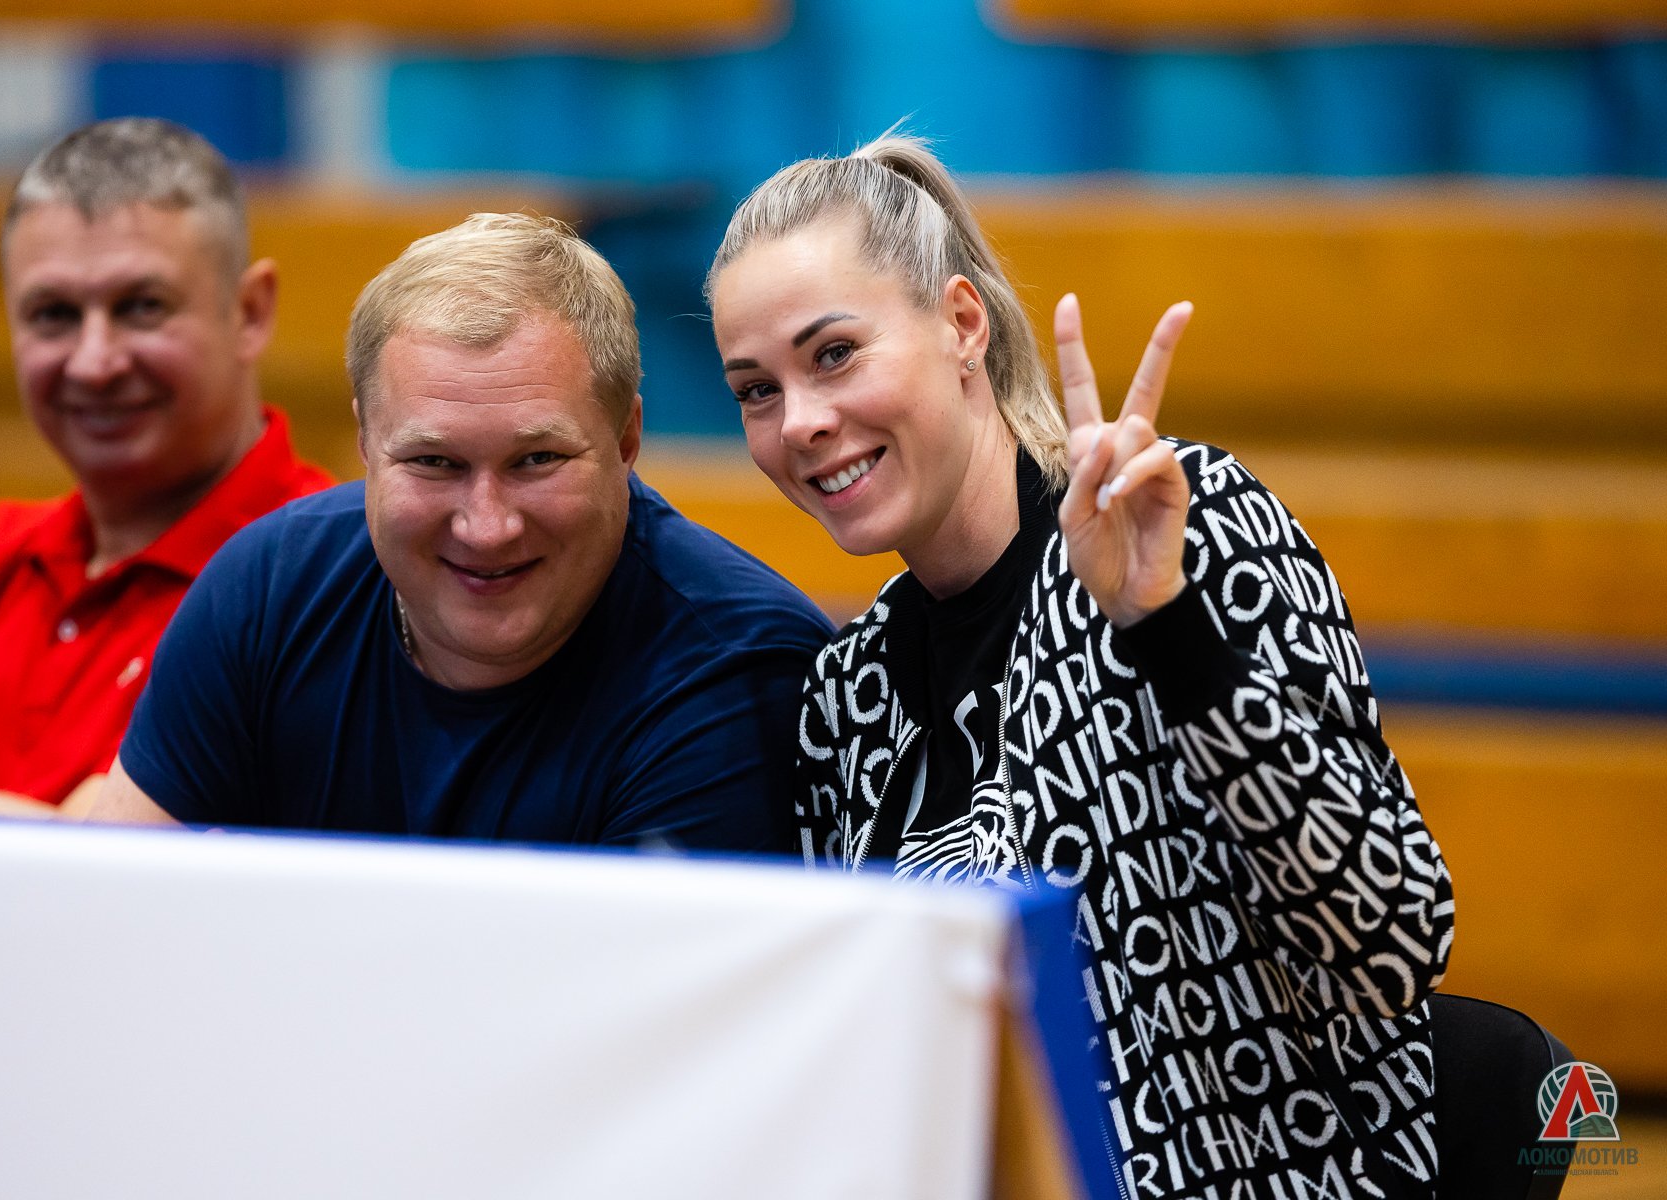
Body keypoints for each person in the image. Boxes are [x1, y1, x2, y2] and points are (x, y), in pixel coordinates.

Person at [706, 135, 1455, 1199]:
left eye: (833, 355)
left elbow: (1396, 936)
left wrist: (1165, 626)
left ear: (962, 325)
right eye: (755, 391)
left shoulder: (1185, 523)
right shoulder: (847, 693)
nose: (801, 423)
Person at [87, 212, 831, 854]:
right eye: (434, 463)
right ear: (366, 442)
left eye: (537, 460)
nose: (487, 526)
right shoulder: (269, 588)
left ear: (626, 439)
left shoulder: (738, 670)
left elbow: (636, 982)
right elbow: (107, 903)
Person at [0, 118, 331, 819]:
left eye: (141, 307)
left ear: (249, 311)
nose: (94, 362)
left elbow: (107, 866)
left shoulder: (326, 584)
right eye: (53, 314)